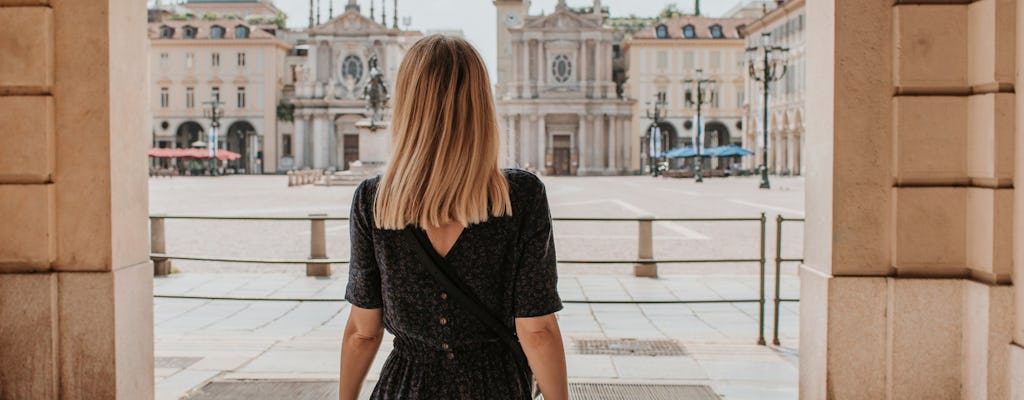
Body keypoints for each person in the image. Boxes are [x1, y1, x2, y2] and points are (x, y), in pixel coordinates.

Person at [339, 35, 569, 400]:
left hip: (405, 387)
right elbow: (537, 330)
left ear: (407, 106)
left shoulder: (374, 200)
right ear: (480, 105)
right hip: (495, 387)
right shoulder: (520, 196)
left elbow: (363, 332)